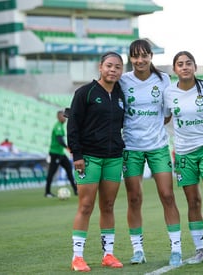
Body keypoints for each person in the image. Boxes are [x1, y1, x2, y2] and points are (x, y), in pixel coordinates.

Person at [119, 39, 182, 266]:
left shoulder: (164, 79)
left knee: (167, 195)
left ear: (151, 56)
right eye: (135, 56)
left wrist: (152, 127)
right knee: (134, 198)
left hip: (158, 146)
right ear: (130, 58)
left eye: (144, 55)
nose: (140, 60)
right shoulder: (123, 80)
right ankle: (138, 250)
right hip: (131, 147)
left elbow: (167, 114)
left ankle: (176, 249)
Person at [164, 51, 203, 265]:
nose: (184, 67)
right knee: (193, 201)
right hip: (183, 153)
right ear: (174, 69)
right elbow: (164, 118)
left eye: (188, 63)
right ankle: (199, 251)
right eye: (180, 64)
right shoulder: (168, 93)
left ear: (195, 67)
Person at [67, 51, 125, 272]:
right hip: (89, 158)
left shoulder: (121, 94)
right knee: (86, 206)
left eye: (117, 67)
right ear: (100, 67)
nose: (113, 70)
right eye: (109, 66)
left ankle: (108, 255)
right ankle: (77, 257)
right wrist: (77, 156)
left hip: (113, 158)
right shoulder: (85, 92)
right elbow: (72, 126)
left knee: (108, 206)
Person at [44, 110, 78, 198]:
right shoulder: (58, 126)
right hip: (55, 153)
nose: (65, 118)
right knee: (52, 172)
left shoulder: (61, 126)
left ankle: (75, 190)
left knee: (69, 169)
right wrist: (68, 148)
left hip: (60, 153)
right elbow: (59, 140)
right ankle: (47, 192)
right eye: (63, 116)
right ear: (59, 117)